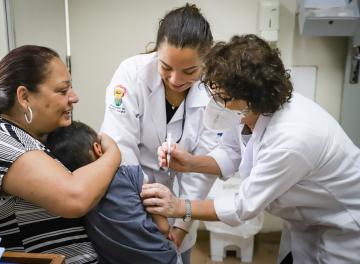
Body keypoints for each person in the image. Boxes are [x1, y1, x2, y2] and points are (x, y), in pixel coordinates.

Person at [141, 34, 360, 264]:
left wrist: (178, 207)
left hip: (345, 226)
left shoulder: (291, 139)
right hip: (308, 221)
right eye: (214, 93)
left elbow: (241, 207)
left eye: (223, 98)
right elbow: (232, 152)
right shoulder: (249, 112)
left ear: (254, 97)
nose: (217, 103)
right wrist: (190, 163)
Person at [0, 45, 121, 263]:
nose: (74, 98)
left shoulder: (38, 137)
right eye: (62, 91)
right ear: (24, 96)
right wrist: (113, 153)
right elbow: (75, 198)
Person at [100, 4, 218, 262]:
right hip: (130, 199)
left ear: (206, 60)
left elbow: (202, 170)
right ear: (157, 51)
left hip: (182, 208)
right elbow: (120, 149)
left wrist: (179, 225)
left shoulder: (214, 94)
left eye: (189, 71)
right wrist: (157, 217)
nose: (175, 79)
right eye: (166, 67)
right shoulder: (130, 75)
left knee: (178, 255)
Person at [46, 121, 179, 264]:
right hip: (162, 259)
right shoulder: (130, 174)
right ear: (98, 148)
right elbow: (163, 227)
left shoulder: (81, 201)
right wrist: (165, 230)